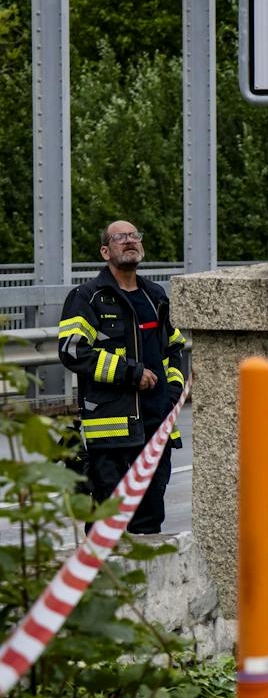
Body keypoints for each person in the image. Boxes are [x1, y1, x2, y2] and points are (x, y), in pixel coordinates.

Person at [56, 221, 187, 534]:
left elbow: (174, 349)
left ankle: (144, 585)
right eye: (120, 237)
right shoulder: (87, 297)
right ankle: (101, 583)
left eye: (134, 236)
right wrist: (130, 373)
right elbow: (72, 350)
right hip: (111, 437)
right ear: (105, 251)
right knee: (106, 529)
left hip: (157, 433)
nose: (129, 241)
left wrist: (171, 394)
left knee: (150, 526)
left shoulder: (155, 296)